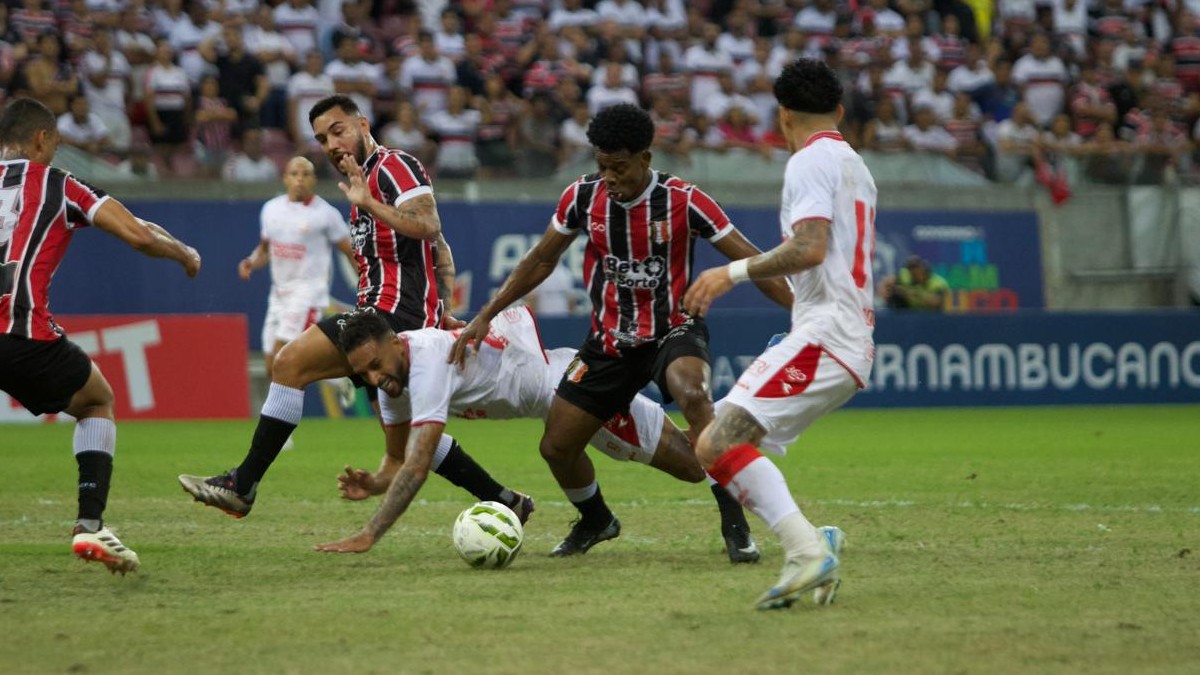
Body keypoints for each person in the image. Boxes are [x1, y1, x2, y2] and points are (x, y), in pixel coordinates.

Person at [450, 103, 794, 562]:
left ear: (646, 159)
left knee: (691, 392)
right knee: (557, 446)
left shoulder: (684, 199)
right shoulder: (581, 197)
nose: (610, 177)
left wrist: (804, 315)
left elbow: (752, 259)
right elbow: (540, 259)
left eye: (620, 167)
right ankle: (596, 520)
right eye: (602, 166)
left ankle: (734, 519)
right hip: (610, 342)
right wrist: (485, 315)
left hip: (673, 328)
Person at [179, 94, 532, 525]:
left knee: (290, 364)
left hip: (392, 316)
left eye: (338, 130)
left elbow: (428, 225)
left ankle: (244, 483)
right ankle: (508, 501)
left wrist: (372, 207)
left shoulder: (394, 167)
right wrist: (437, 301)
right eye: (321, 138)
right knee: (406, 442)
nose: (330, 144)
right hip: (391, 315)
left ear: (363, 124)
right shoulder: (360, 185)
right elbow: (434, 246)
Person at [683, 58, 877, 610]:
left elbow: (809, 246)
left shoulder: (808, 162)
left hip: (829, 335)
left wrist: (731, 272)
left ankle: (806, 551)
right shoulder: (854, 163)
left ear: (783, 115)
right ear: (839, 112)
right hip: (838, 334)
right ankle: (817, 543)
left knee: (715, 443)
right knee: (725, 436)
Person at [314, 308, 707, 553]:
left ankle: (744, 430)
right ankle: (598, 521)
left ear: (396, 343)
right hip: (555, 402)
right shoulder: (391, 383)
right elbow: (398, 459)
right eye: (362, 373)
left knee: (695, 466)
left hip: (572, 389)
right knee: (557, 451)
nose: (373, 378)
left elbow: (417, 466)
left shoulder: (426, 362)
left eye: (376, 364)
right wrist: (378, 483)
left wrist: (369, 534)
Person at [0, 97, 201, 575]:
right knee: (96, 401)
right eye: (54, 144)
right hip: (19, 331)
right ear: (42, 140)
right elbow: (136, 233)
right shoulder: (57, 183)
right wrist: (184, 254)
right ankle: (89, 524)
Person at [879, 255, 948, 310]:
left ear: (924, 268)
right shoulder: (906, 276)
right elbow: (886, 282)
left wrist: (909, 293)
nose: (914, 272)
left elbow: (936, 302)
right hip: (909, 315)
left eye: (917, 268)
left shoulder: (938, 282)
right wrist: (887, 293)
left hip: (932, 317)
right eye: (911, 269)